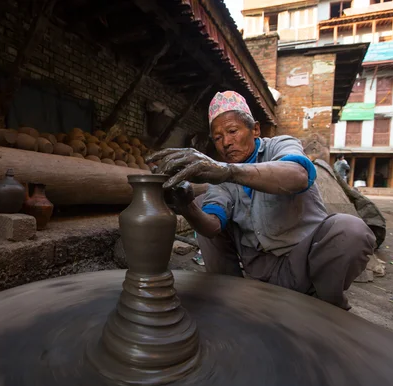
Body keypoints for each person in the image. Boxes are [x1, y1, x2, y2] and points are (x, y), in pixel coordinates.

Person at [147, 91, 375, 310]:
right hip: (261, 274)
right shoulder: (220, 177)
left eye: (233, 131)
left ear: (255, 129)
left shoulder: (280, 146)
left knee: (351, 230)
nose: (226, 142)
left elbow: (297, 175)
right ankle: (229, 296)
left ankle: (325, 306)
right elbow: (213, 226)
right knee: (204, 201)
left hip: (305, 263)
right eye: (218, 137)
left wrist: (228, 171)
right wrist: (187, 207)